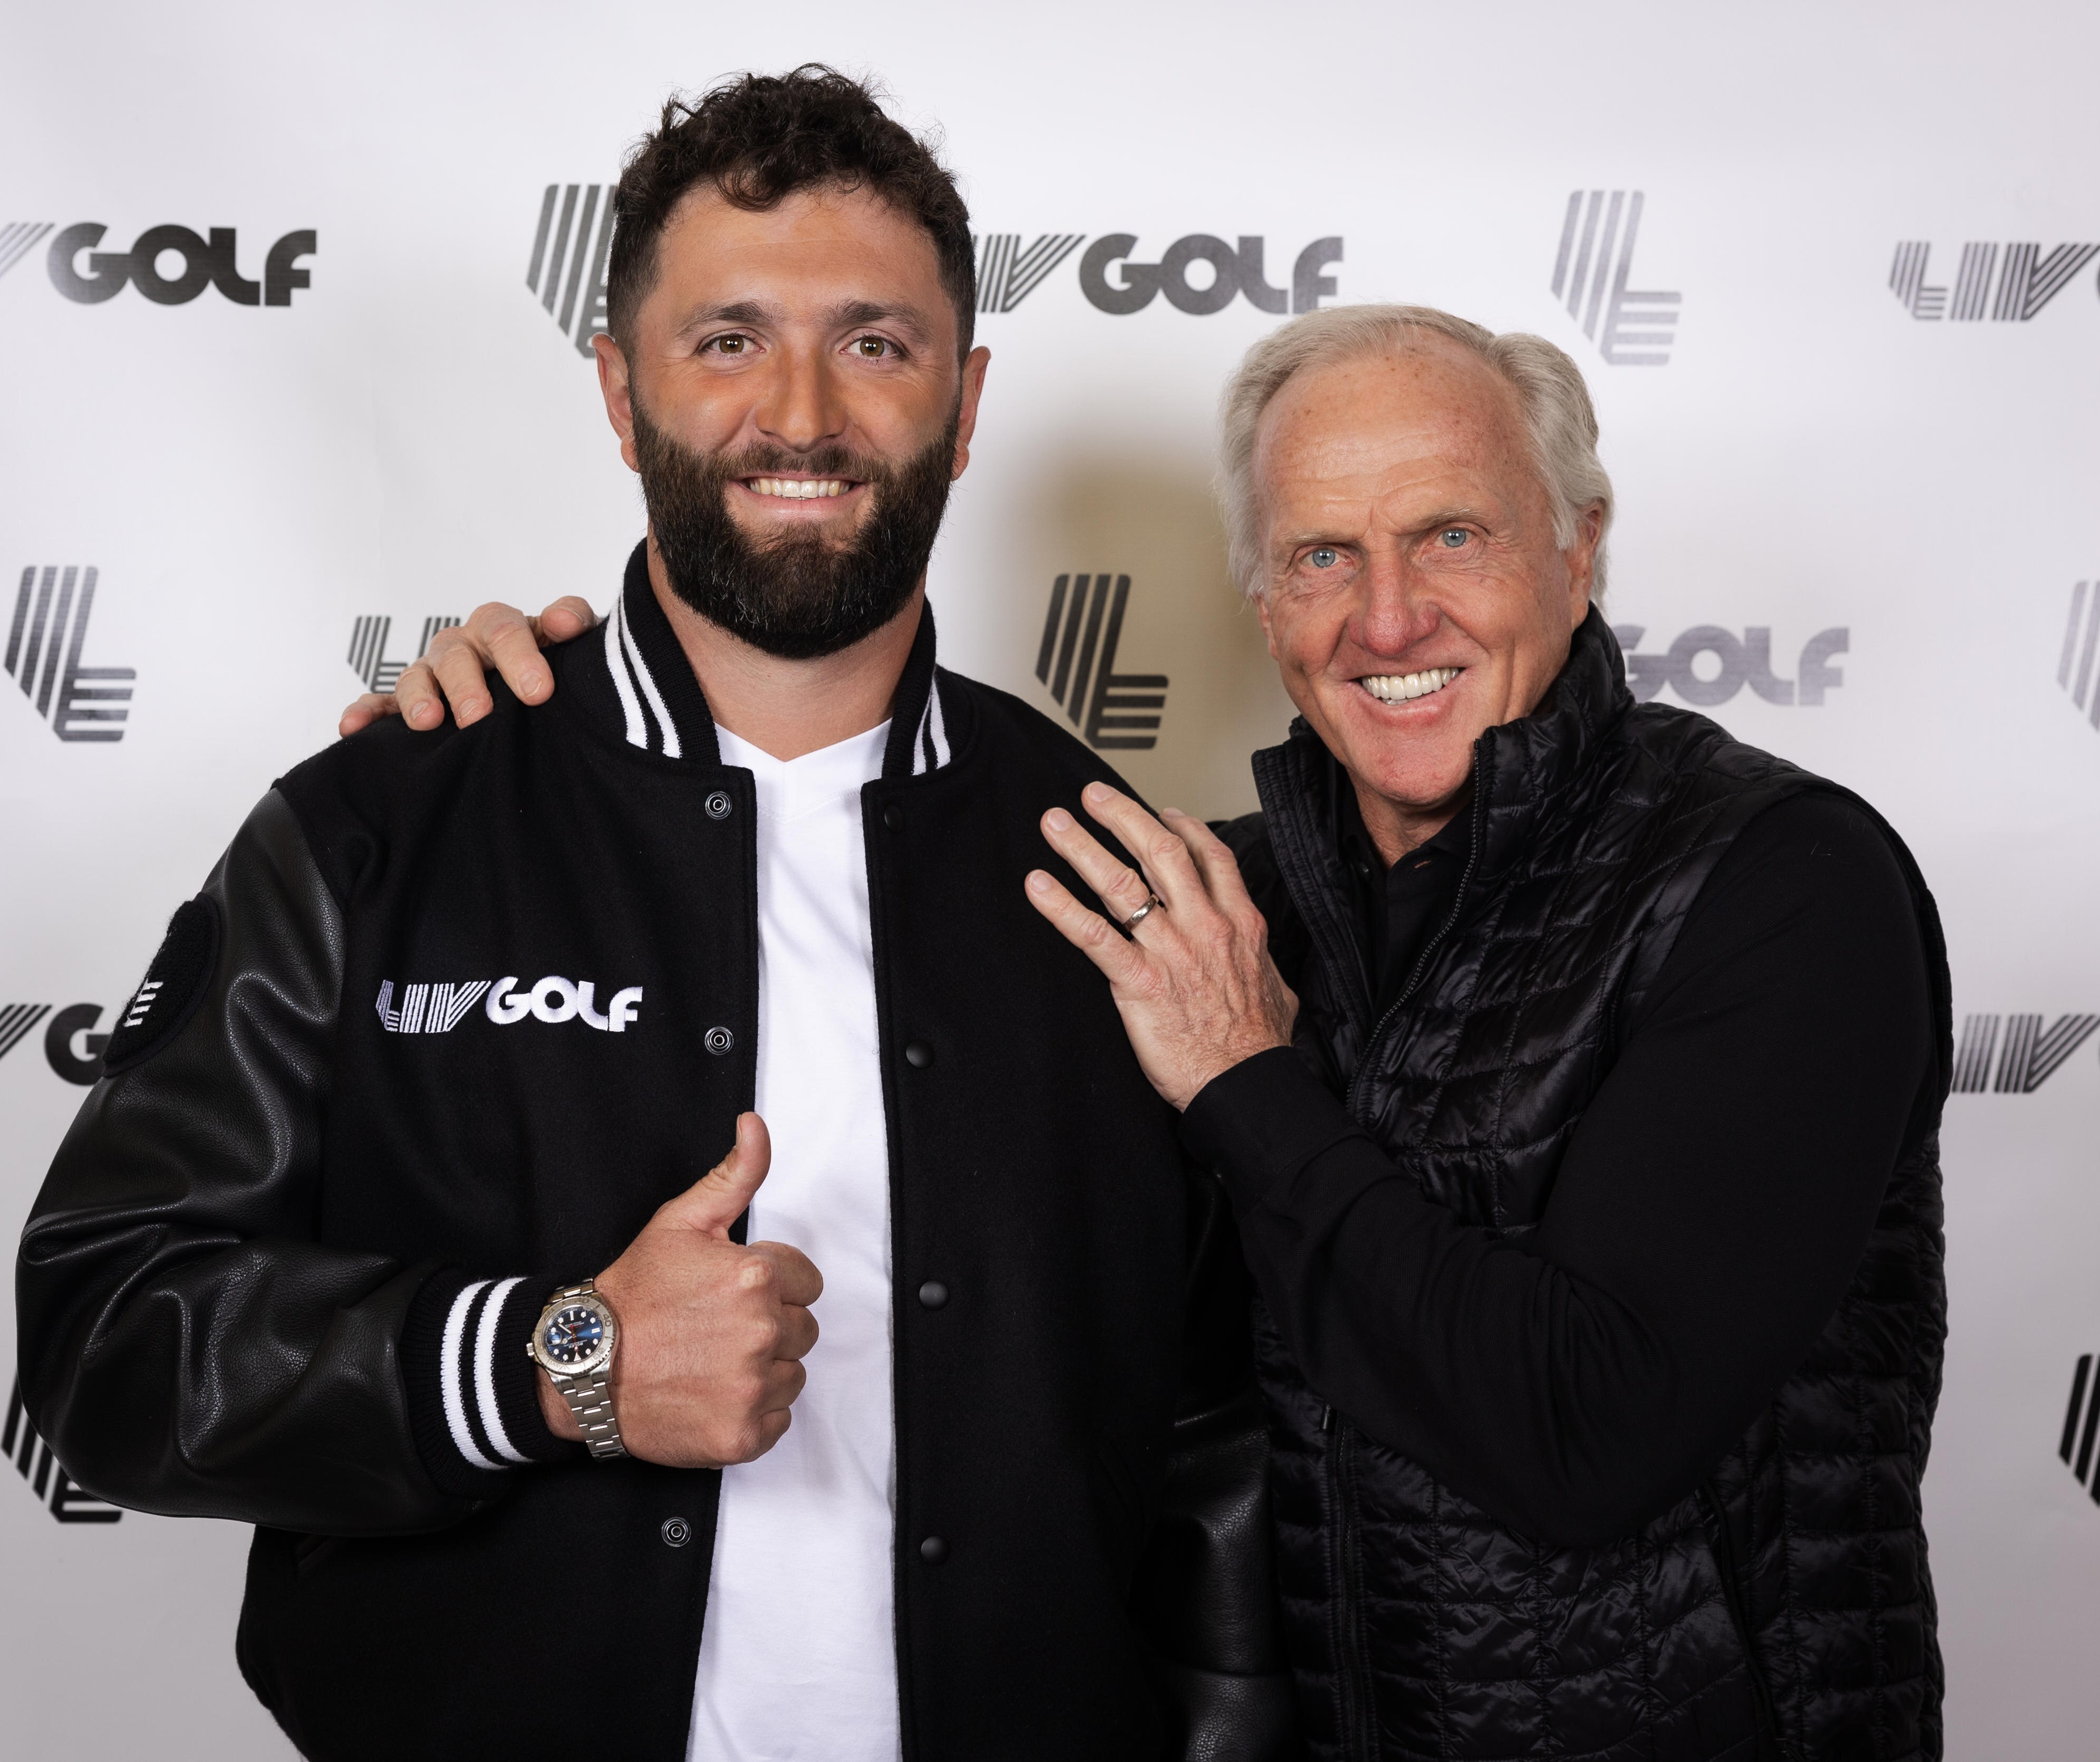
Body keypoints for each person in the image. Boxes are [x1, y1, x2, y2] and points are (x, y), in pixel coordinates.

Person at [394, 307, 1952, 1762]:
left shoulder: (1777, 882)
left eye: (1452, 536)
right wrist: (531, 742)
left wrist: (1244, 1080)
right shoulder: (1206, 894)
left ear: (1579, 544)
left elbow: (1583, 1433)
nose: (1387, 614)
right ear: (1260, 596)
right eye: (1321, 555)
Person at [16, 68, 1290, 1762]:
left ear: (968, 402)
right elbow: (108, 1339)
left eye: (877, 343)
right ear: (619, 391)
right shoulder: (387, 820)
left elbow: (1215, 1429)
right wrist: (561, 1361)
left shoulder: (1116, 863)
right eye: (727, 339)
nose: (803, 412)